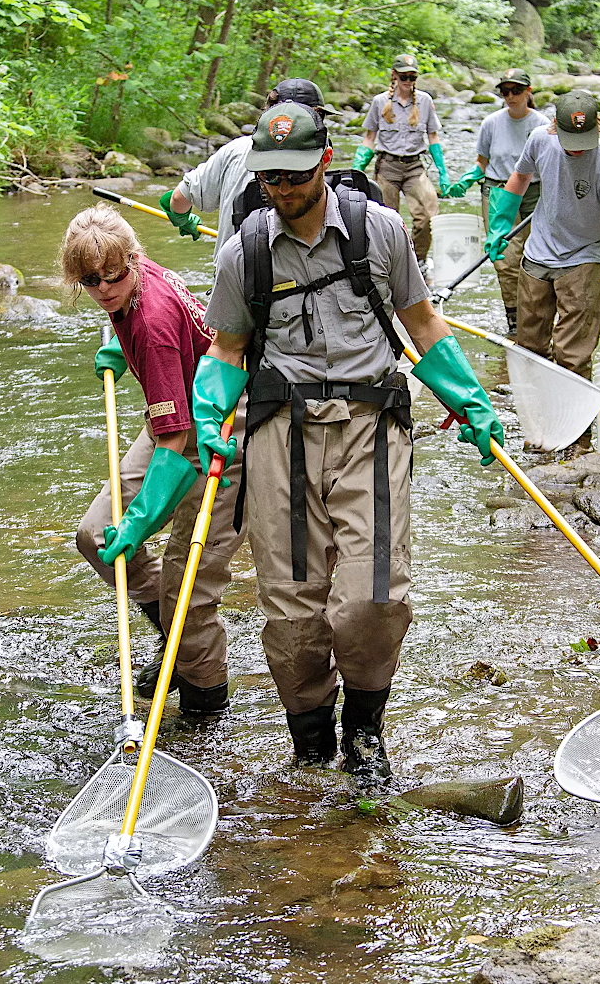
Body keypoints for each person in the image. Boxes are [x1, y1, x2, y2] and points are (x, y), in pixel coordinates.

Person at [191, 103, 503, 784]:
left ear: (325, 162)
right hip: (281, 434)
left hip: (372, 425)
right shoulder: (242, 252)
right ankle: (310, 744)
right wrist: (210, 411)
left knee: (374, 595)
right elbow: (227, 347)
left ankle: (364, 731)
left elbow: (422, 322)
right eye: (271, 177)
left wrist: (470, 400)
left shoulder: (380, 232)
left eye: (297, 175)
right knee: (293, 610)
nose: (284, 189)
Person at [66, 203, 246, 713]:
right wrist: (122, 353)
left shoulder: (154, 324)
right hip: (175, 414)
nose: (103, 290)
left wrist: (142, 521)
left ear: (133, 258)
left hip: (222, 429)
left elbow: (175, 441)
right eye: (89, 281)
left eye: (113, 276)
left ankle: (202, 701)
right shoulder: (135, 285)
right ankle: (172, 641)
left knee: (184, 582)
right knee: (96, 534)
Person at [486, 90, 600, 387]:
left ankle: (575, 431)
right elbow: (520, 176)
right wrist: (500, 223)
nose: (577, 150)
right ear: (555, 125)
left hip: (583, 258)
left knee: (573, 356)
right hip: (538, 253)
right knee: (529, 349)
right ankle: (536, 424)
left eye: (584, 143)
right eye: (571, 142)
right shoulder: (540, 139)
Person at [160, 78, 335, 256]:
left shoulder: (234, 149)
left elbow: (177, 199)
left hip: (232, 272)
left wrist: (182, 219)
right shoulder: (317, 158)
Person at [446, 67, 547, 336]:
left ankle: (537, 315)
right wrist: (466, 180)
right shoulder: (490, 123)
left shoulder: (542, 125)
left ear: (529, 92)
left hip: (534, 193)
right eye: (505, 91)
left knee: (537, 256)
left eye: (516, 91)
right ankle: (514, 318)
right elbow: (482, 163)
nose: (510, 96)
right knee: (504, 258)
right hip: (497, 192)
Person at [353, 53, 450, 269]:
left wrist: (443, 171)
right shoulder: (380, 102)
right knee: (385, 221)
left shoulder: (425, 101)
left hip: (414, 167)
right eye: (404, 77)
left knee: (427, 216)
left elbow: (433, 137)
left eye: (412, 77)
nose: (408, 82)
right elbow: (370, 137)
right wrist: (357, 169)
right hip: (387, 166)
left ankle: (418, 261)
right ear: (394, 75)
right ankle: (389, 263)